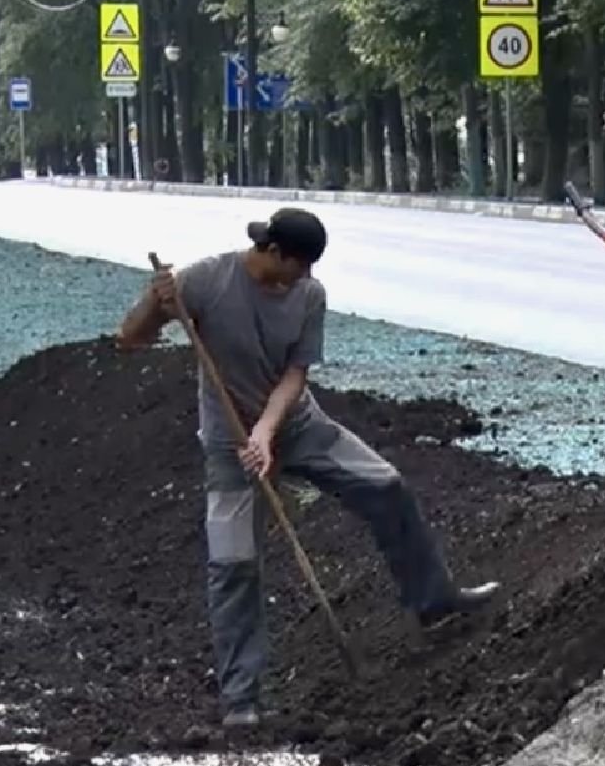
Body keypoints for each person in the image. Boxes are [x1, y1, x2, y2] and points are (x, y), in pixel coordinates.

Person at [116, 208, 500, 726]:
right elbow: (132, 337)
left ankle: (433, 601)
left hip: (296, 426)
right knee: (233, 567)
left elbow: (296, 374)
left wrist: (265, 432)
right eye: (299, 267)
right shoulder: (206, 280)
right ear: (273, 253)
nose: (306, 279)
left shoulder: (309, 295)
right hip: (229, 446)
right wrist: (156, 299)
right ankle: (240, 700)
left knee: (386, 486)